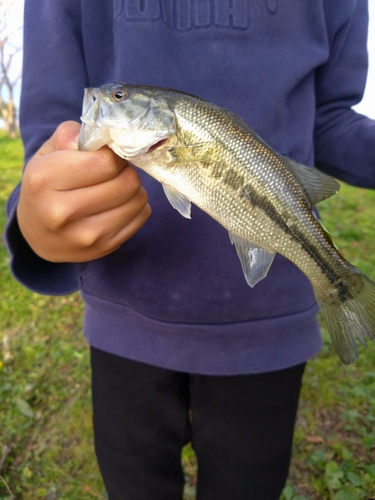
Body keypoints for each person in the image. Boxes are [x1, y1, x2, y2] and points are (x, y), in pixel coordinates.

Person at [5, 1, 375, 499]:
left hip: (268, 331)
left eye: (119, 97)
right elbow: (53, 126)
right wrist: (36, 211)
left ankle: (338, 284)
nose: (105, 100)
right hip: (125, 325)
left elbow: (329, 118)